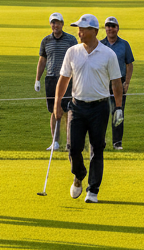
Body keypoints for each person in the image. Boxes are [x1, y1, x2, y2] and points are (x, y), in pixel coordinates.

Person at [53, 14, 123, 204]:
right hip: (77, 107)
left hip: (99, 107)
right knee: (73, 148)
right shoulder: (72, 52)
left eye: (83, 29)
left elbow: (116, 83)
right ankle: (79, 174)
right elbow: (63, 80)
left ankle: (93, 190)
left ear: (95, 31)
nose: (79, 32)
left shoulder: (108, 54)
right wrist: (57, 104)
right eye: (79, 29)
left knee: (97, 149)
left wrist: (118, 107)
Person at [34, 13, 76, 151]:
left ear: (62, 24)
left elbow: (77, 58)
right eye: (53, 22)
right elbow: (42, 60)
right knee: (54, 110)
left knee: (68, 110)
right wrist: (37, 79)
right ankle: (55, 141)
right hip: (51, 78)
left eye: (57, 22)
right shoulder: (46, 41)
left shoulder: (71, 40)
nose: (55, 25)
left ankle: (69, 141)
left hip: (67, 78)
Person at [101, 16, 134, 151]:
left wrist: (127, 83)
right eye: (108, 26)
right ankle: (100, 141)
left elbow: (129, 64)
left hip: (119, 82)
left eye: (113, 26)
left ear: (117, 28)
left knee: (118, 112)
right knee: (101, 112)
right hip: (103, 82)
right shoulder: (100, 44)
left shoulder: (124, 44)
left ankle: (117, 142)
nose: (110, 29)